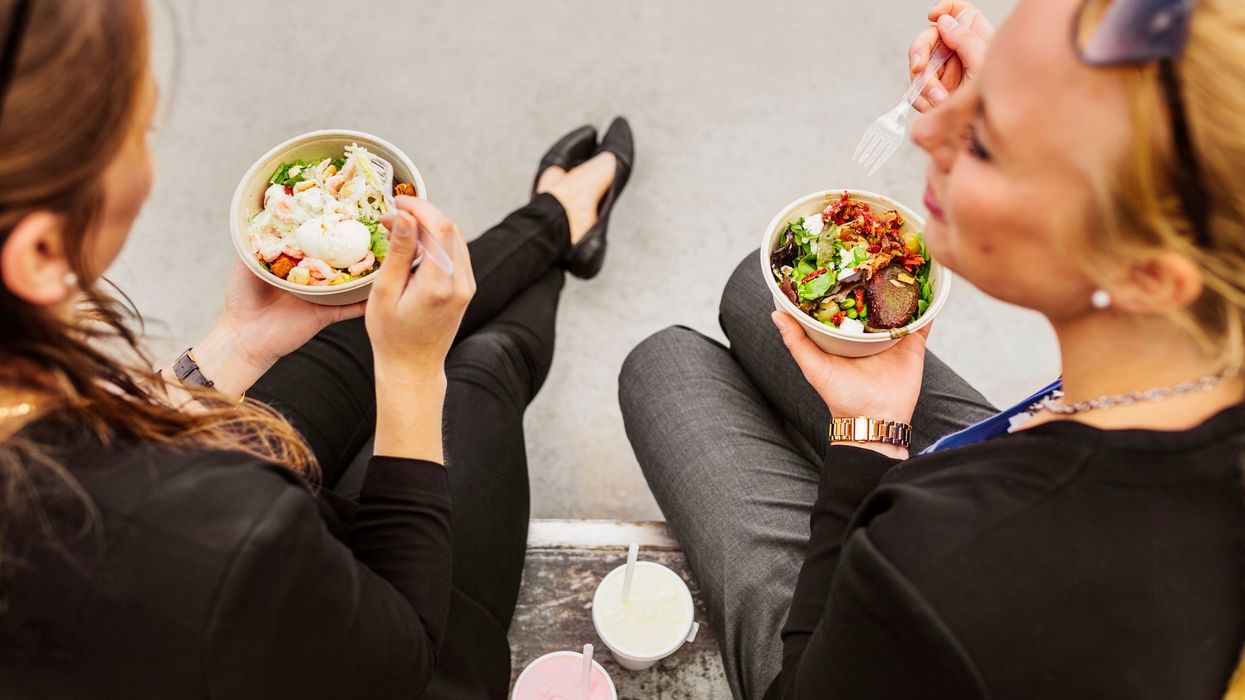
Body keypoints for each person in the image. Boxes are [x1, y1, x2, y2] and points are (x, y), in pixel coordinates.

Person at [0, 0, 633, 697]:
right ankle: (565, 234)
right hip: (383, 647)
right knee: (483, 368)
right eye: (137, 131)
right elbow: (407, 649)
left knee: (339, 346)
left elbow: (106, 434)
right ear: (38, 250)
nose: (146, 155)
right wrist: (412, 371)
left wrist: (236, 342)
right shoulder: (207, 539)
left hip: (231, 541)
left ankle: (555, 221)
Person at [620, 0, 1245, 697]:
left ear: (1145, 275)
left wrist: (868, 441)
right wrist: (1032, 89)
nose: (925, 130)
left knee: (662, 367)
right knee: (755, 287)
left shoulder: (943, 564)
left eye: (984, 140)